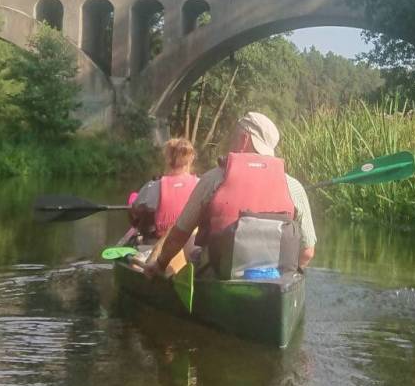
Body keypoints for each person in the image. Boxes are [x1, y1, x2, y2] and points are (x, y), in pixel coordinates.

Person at [148, 111, 316, 278]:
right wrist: (285, 274)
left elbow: (178, 236)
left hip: (218, 277)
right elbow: (307, 252)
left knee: (190, 240)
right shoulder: (294, 187)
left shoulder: (213, 180)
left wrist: (160, 264)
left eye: (233, 137)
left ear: (244, 139)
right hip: (274, 283)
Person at [129, 137, 200, 240]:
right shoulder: (200, 184)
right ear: (191, 159)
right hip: (191, 240)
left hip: (162, 240)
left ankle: (141, 238)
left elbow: (135, 210)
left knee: (135, 206)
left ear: (168, 159)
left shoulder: (154, 186)